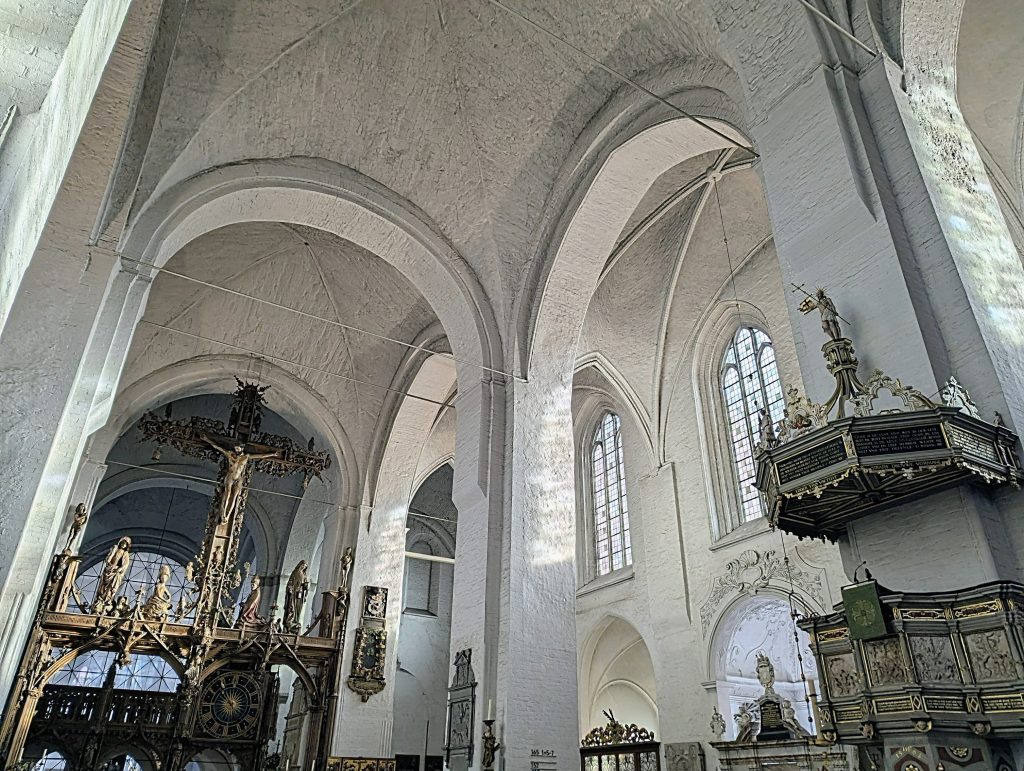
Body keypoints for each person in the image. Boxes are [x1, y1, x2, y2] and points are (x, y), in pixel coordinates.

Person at [93, 537, 132, 614]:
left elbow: (125, 564)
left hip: (115, 572)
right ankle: (100, 601)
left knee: (111, 589)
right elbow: (108, 559)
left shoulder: (125, 553)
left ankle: (107, 601)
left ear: (127, 546)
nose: (123, 544)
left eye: (125, 544)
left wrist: (119, 569)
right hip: (109, 569)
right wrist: (113, 551)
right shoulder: (115, 549)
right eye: (122, 543)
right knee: (103, 587)